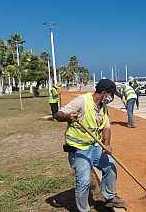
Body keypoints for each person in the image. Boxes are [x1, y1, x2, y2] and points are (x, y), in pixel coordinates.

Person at [54, 79, 127, 211]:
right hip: (79, 149)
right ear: (104, 93)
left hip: (95, 147)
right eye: (111, 95)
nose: (112, 98)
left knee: (110, 167)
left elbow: (106, 127)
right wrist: (68, 117)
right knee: (84, 181)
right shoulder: (82, 101)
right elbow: (58, 115)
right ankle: (84, 209)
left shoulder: (103, 107)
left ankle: (110, 198)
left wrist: (107, 144)